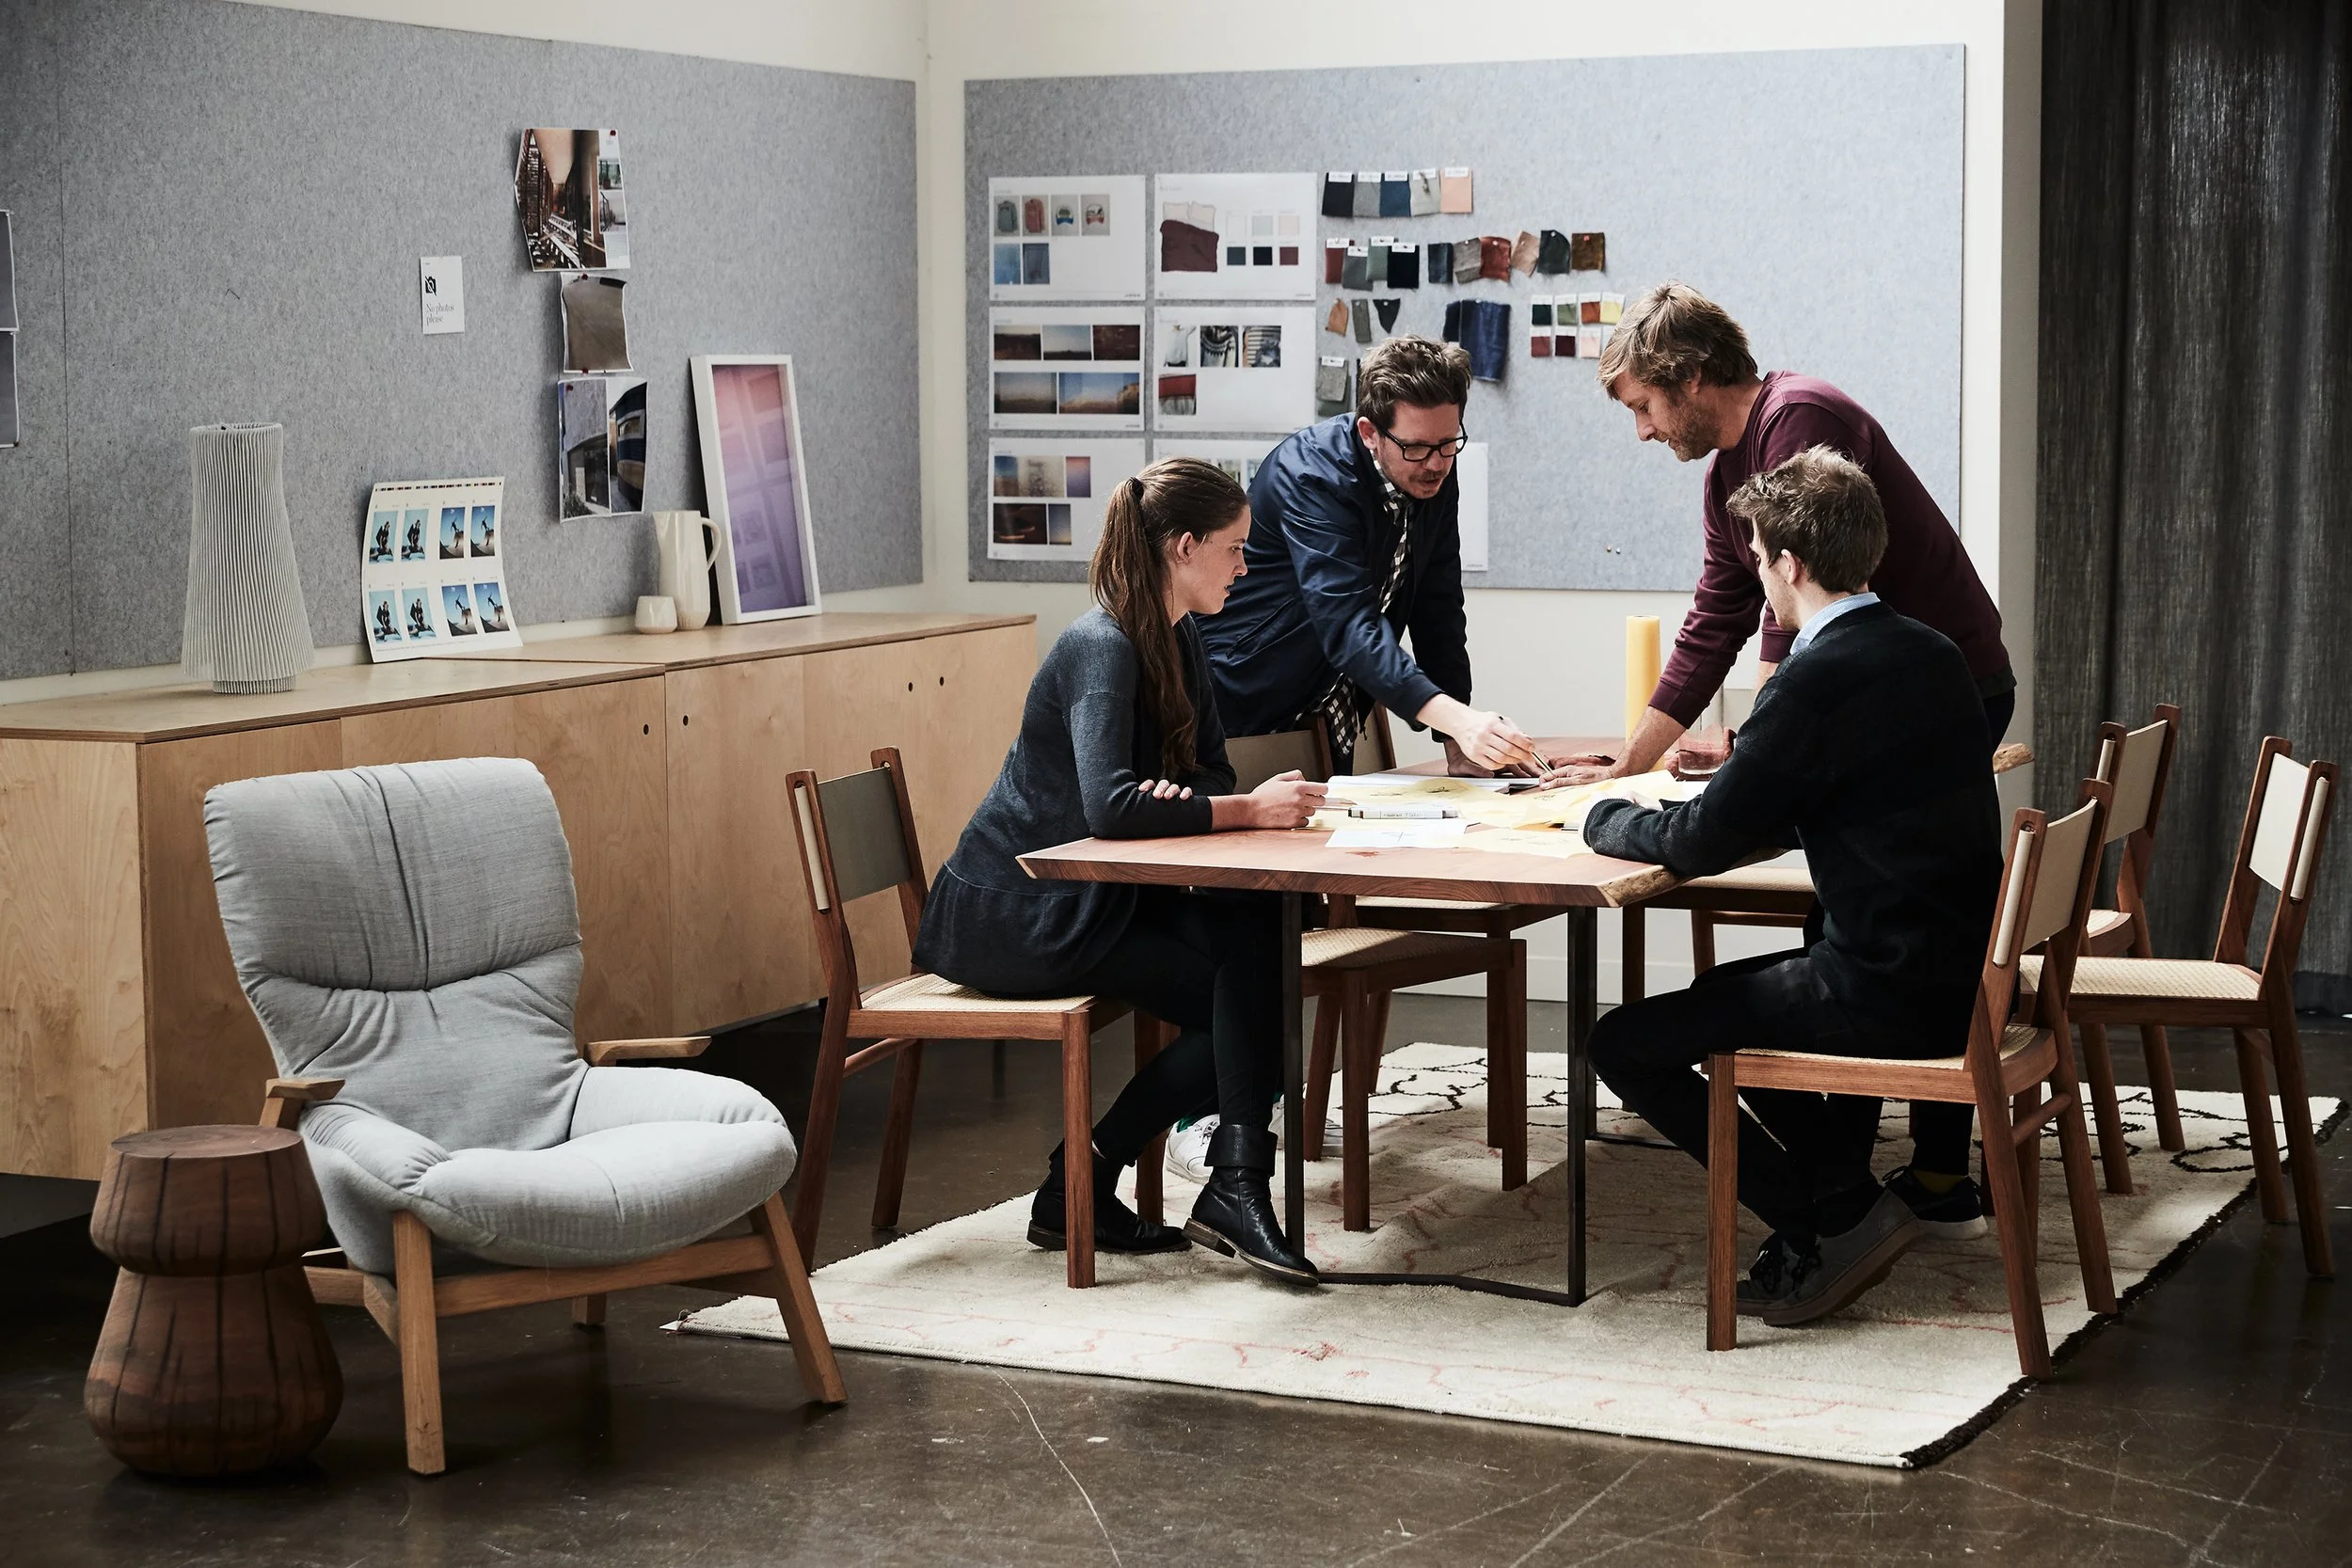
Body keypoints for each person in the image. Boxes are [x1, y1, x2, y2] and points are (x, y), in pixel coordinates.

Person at [1561, 281, 2014, 1234]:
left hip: (1911, 693)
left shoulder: (1797, 419)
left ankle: (1873, 1193)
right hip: (1905, 685)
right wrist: (1631, 760)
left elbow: (1773, 654)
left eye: (1642, 404)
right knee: (1847, 927)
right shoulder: (1738, 476)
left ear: (1688, 377)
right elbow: (1719, 615)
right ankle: (1844, 1177)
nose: (1640, 429)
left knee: (1848, 934)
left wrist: (1636, 799)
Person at [913, 458, 1330, 1285]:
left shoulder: (1178, 638)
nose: (1246, 567)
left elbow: (1207, 774)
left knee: (1258, 962)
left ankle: (1189, 1181)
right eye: (1236, 549)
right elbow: (1112, 808)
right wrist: (1240, 809)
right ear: (1183, 548)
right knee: (1249, 1000)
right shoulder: (1100, 647)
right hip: (1020, 910)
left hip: (1095, 894)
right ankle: (1189, 1186)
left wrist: (1186, 798)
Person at [1181, 335, 1543, 1180]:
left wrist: (1457, 733)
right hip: (1239, 702)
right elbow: (1348, 623)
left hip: (1318, 710)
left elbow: (1438, 606)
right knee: (1243, 924)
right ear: (1368, 430)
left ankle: (1268, 1107)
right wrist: (1451, 713)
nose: (1434, 463)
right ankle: (1206, 1121)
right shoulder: (1313, 474)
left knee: (1298, 917)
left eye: (1449, 444)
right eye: (1415, 446)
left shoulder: (1434, 475)